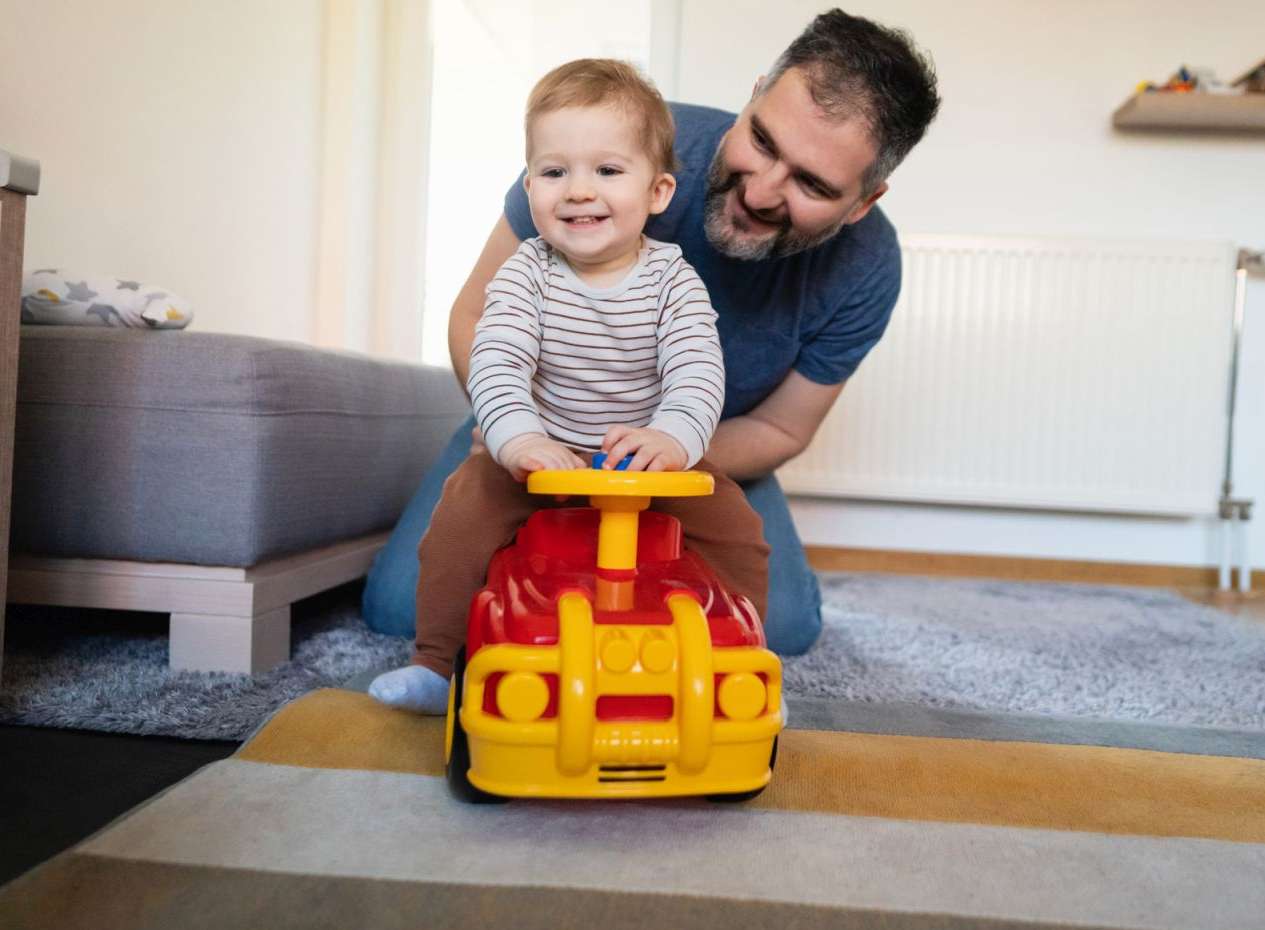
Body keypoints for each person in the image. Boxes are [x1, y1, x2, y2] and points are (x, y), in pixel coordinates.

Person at [363, 8, 940, 657]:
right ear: (753, 97)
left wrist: (653, 460)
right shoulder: (612, 146)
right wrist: (522, 435)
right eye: (762, 141)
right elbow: (474, 316)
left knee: (777, 629)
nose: (760, 193)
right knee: (402, 609)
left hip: (694, 453)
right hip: (533, 426)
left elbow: (781, 429)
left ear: (863, 202)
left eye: (811, 183)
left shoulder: (868, 266)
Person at [369, 59, 770, 712]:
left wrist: (672, 439)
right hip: (540, 456)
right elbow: (497, 361)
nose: (579, 191)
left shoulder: (674, 280)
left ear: (658, 192)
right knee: (458, 517)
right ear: (530, 187)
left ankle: (740, 668)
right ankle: (437, 663)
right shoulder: (525, 272)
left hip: (643, 467)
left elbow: (698, 372)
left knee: (739, 531)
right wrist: (518, 439)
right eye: (556, 172)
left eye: (607, 171)